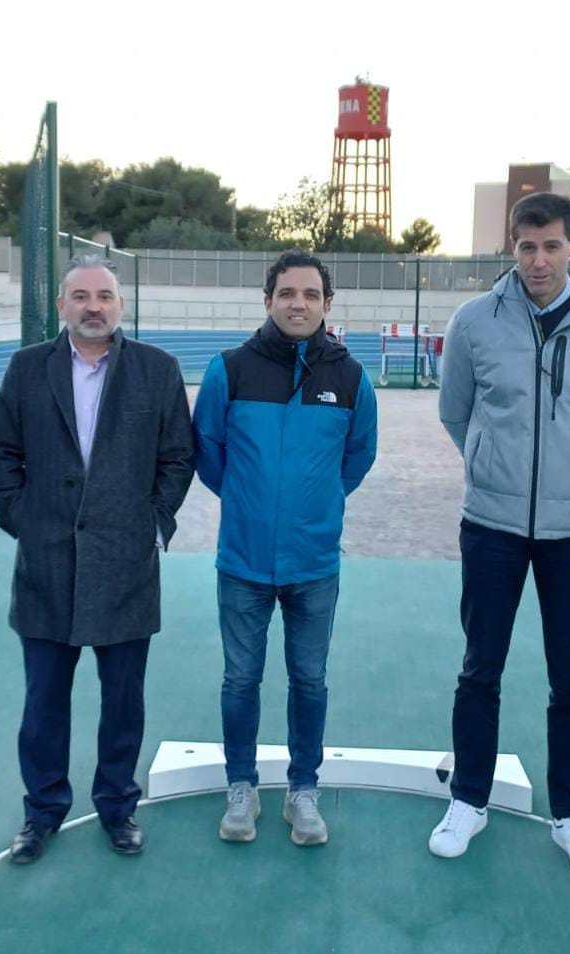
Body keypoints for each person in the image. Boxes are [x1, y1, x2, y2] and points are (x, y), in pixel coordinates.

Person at [431, 192, 570, 879]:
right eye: (527, 247)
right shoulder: (474, 321)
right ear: (512, 249)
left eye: (552, 245)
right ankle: (469, 799)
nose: (539, 260)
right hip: (490, 526)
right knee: (479, 669)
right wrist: (493, 471)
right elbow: (456, 411)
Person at [0, 255, 193, 862]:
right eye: (80, 296)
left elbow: (178, 456)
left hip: (126, 564)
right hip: (46, 566)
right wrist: (22, 518)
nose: (93, 306)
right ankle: (42, 811)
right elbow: (1, 453)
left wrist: (153, 523)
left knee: (123, 701)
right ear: (62, 305)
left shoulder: (157, 370)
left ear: (120, 305)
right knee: (44, 703)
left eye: (104, 295)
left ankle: (118, 807)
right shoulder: (27, 369)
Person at [193, 248, 377, 846]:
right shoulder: (229, 370)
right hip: (243, 561)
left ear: (328, 305)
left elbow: (358, 457)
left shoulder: (350, 378)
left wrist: (316, 504)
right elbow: (210, 454)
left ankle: (303, 790)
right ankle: (240, 788)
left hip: (315, 563)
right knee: (240, 680)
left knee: (310, 681)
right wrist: (249, 503)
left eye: (311, 295)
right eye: (287, 294)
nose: (299, 304)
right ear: (267, 300)